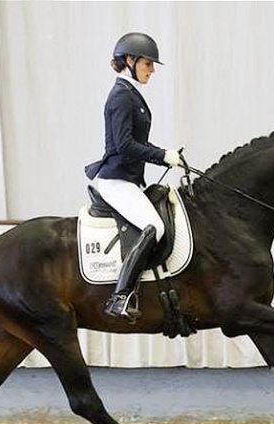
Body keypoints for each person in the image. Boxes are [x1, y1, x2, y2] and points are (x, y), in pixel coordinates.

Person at [89, 32, 183, 323]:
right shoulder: (120, 96)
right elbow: (124, 145)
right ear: (129, 61)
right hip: (115, 179)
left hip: (129, 179)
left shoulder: (131, 94)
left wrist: (164, 153)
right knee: (154, 226)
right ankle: (121, 297)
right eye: (148, 64)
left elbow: (134, 143)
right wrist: (161, 156)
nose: (152, 70)